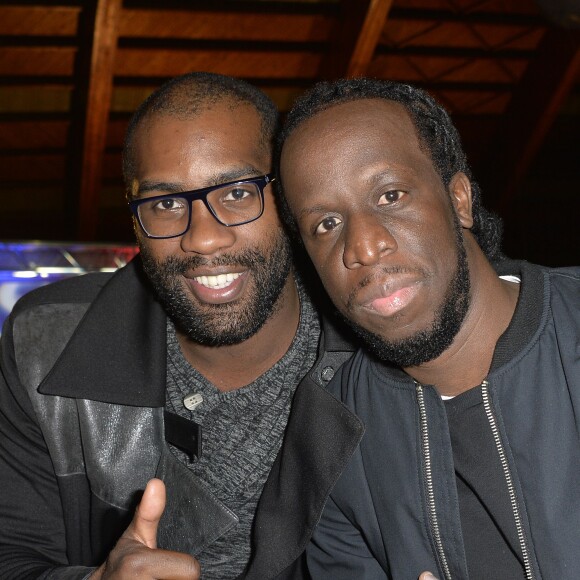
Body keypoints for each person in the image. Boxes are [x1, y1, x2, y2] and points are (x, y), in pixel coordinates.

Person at [0, 72, 363, 580]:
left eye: (237, 192)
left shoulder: (377, 344)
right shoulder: (45, 345)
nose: (204, 239)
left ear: (289, 196)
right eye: (166, 203)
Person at [275, 77, 580, 579]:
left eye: (390, 195)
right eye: (326, 224)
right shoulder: (333, 434)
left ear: (458, 199)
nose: (362, 247)